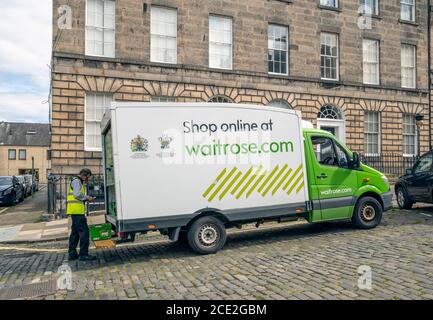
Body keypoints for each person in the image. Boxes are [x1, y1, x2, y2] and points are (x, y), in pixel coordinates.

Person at [67, 168, 97, 261]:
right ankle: (83, 254)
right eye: (87, 177)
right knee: (84, 232)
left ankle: (72, 254)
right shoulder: (77, 181)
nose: (87, 180)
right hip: (77, 211)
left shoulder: (76, 181)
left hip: (75, 211)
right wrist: (88, 198)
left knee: (75, 233)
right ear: (85, 175)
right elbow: (77, 194)